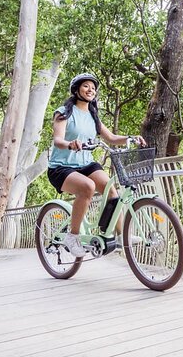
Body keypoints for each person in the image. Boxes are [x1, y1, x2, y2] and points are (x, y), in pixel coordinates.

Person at [47, 72, 146, 257]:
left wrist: (131, 138)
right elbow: (58, 140)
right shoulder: (63, 112)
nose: (90, 90)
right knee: (87, 187)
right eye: (86, 86)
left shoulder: (93, 116)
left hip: (85, 163)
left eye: (93, 88)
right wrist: (70, 143)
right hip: (61, 166)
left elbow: (111, 138)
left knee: (111, 190)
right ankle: (72, 236)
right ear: (76, 89)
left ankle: (121, 235)